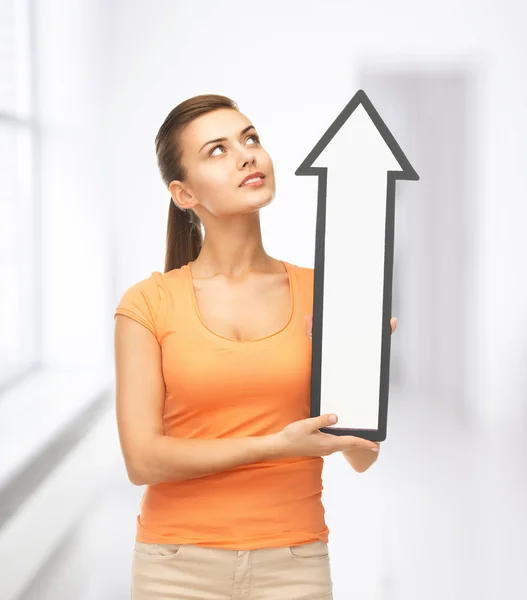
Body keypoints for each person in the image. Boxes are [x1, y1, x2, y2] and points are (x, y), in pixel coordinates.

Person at [113, 94, 397, 600]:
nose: (248, 155)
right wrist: (275, 447)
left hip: (295, 561)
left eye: (251, 139)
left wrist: (362, 375)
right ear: (183, 194)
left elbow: (361, 457)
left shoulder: (326, 294)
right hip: (174, 566)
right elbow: (143, 461)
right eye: (217, 150)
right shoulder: (148, 303)